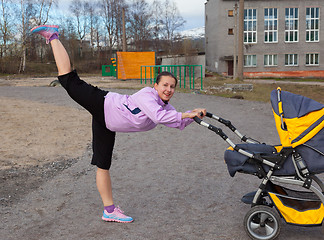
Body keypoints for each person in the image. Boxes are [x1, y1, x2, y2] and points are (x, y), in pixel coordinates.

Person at [31, 25, 206, 223]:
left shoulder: (166, 108)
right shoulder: (147, 95)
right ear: (155, 85)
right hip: (103, 103)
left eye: (172, 87)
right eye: (165, 85)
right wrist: (186, 114)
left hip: (107, 123)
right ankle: (53, 35)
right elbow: (159, 118)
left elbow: (177, 123)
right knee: (69, 80)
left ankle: (109, 210)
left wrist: (193, 116)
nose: (168, 89)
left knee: (103, 165)